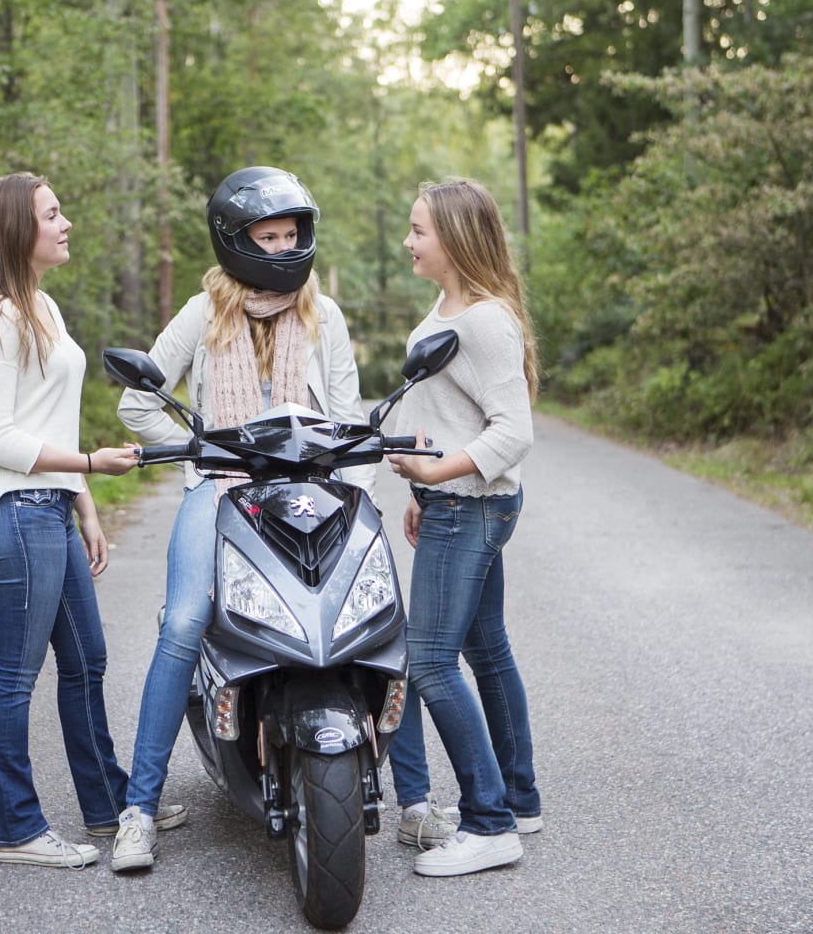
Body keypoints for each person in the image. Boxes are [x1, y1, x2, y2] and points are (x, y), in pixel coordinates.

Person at [110, 166, 374, 872]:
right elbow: (139, 404)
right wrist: (195, 448)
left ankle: (410, 800)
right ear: (238, 241)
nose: (284, 249)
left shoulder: (326, 314)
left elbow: (349, 417)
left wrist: (356, 491)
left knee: (368, 620)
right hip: (223, 489)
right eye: (270, 236)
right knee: (184, 621)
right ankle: (138, 809)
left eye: (292, 235)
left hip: (314, 491)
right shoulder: (204, 313)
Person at [0, 171, 185, 869]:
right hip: (10, 514)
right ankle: (14, 829)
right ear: (18, 230)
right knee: (14, 677)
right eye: (53, 215)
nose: (65, 223)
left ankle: (108, 806)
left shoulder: (42, 309)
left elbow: (44, 418)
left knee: (87, 662)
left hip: (49, 510)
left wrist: (84, 502)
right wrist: (87, 462)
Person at [385, 177, 543, 878]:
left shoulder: (482, 318)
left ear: (454, 238)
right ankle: (519, 797)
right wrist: (426, 480)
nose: (409, 242)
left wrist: (438, 476)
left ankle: (487, 821)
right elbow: (458, 415)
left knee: (429, 663)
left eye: (419, 231)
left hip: (470, 507)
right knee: (487, 650)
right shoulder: (450, 305)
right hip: (458, 503)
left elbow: (515, 431)